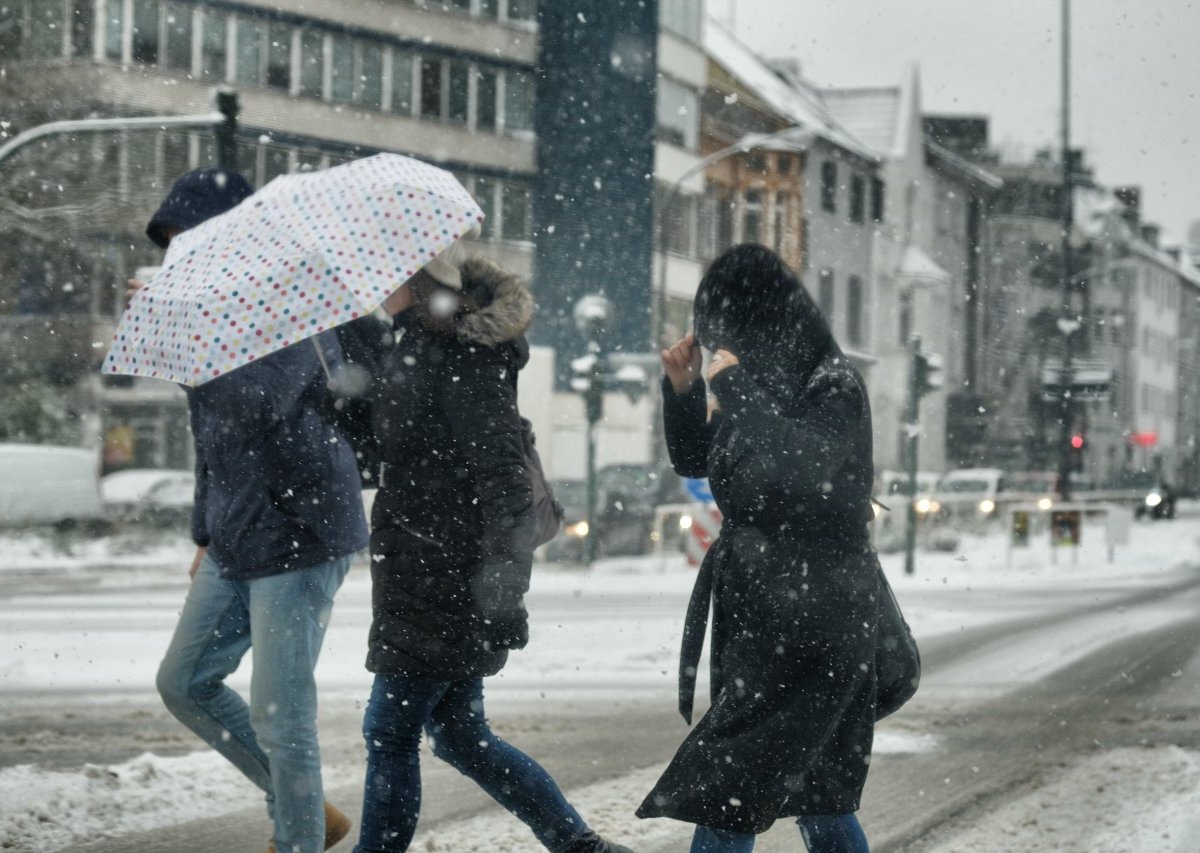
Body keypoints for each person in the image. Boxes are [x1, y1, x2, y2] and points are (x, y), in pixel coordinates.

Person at [351, 248, 632, 853]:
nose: (375, 282)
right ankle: (577, 846)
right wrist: (342, 396)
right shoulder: (411, 346)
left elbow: (504, 479)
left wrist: (504, 592)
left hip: (447, 570)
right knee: (460, 735)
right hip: (415, 567)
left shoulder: (464, 357)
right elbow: (391, 453)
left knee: (391, 731)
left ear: (420, 280)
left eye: (388, 271)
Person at [146, 168, 369, 853]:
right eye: (170, 247)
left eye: (187, 242)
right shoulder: (208, 316)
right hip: (240, 530)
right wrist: (206, 529)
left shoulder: (293, 301)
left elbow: (255, 405)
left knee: (283, 715)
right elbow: (210, 438)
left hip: (301, 529)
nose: (174, 259)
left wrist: (190, 329)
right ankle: (306, 809)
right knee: (184, 680)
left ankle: (297, 837)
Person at [638, 243, 881, 853]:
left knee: (731, 788)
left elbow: (808, 469)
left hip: (817, 611)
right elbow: (699, 459)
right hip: (763, 609)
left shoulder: (831, 385)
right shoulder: (760, 390)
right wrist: (684, 390)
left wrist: (737, 386)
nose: (719, 343)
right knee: (817, 794)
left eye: (726, 330)